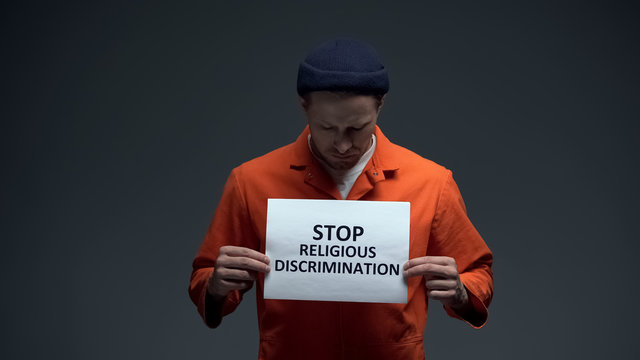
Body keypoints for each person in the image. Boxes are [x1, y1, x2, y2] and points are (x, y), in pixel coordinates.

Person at [189, 38, 493, 359]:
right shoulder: (250, 181)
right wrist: (216, 284)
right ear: (303, 106)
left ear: (381, 105)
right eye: (326, 127)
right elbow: (205, 276)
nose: (343, 145)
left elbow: (478, 272)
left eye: (357, 128)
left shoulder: (432, 182)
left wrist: (460, 291)